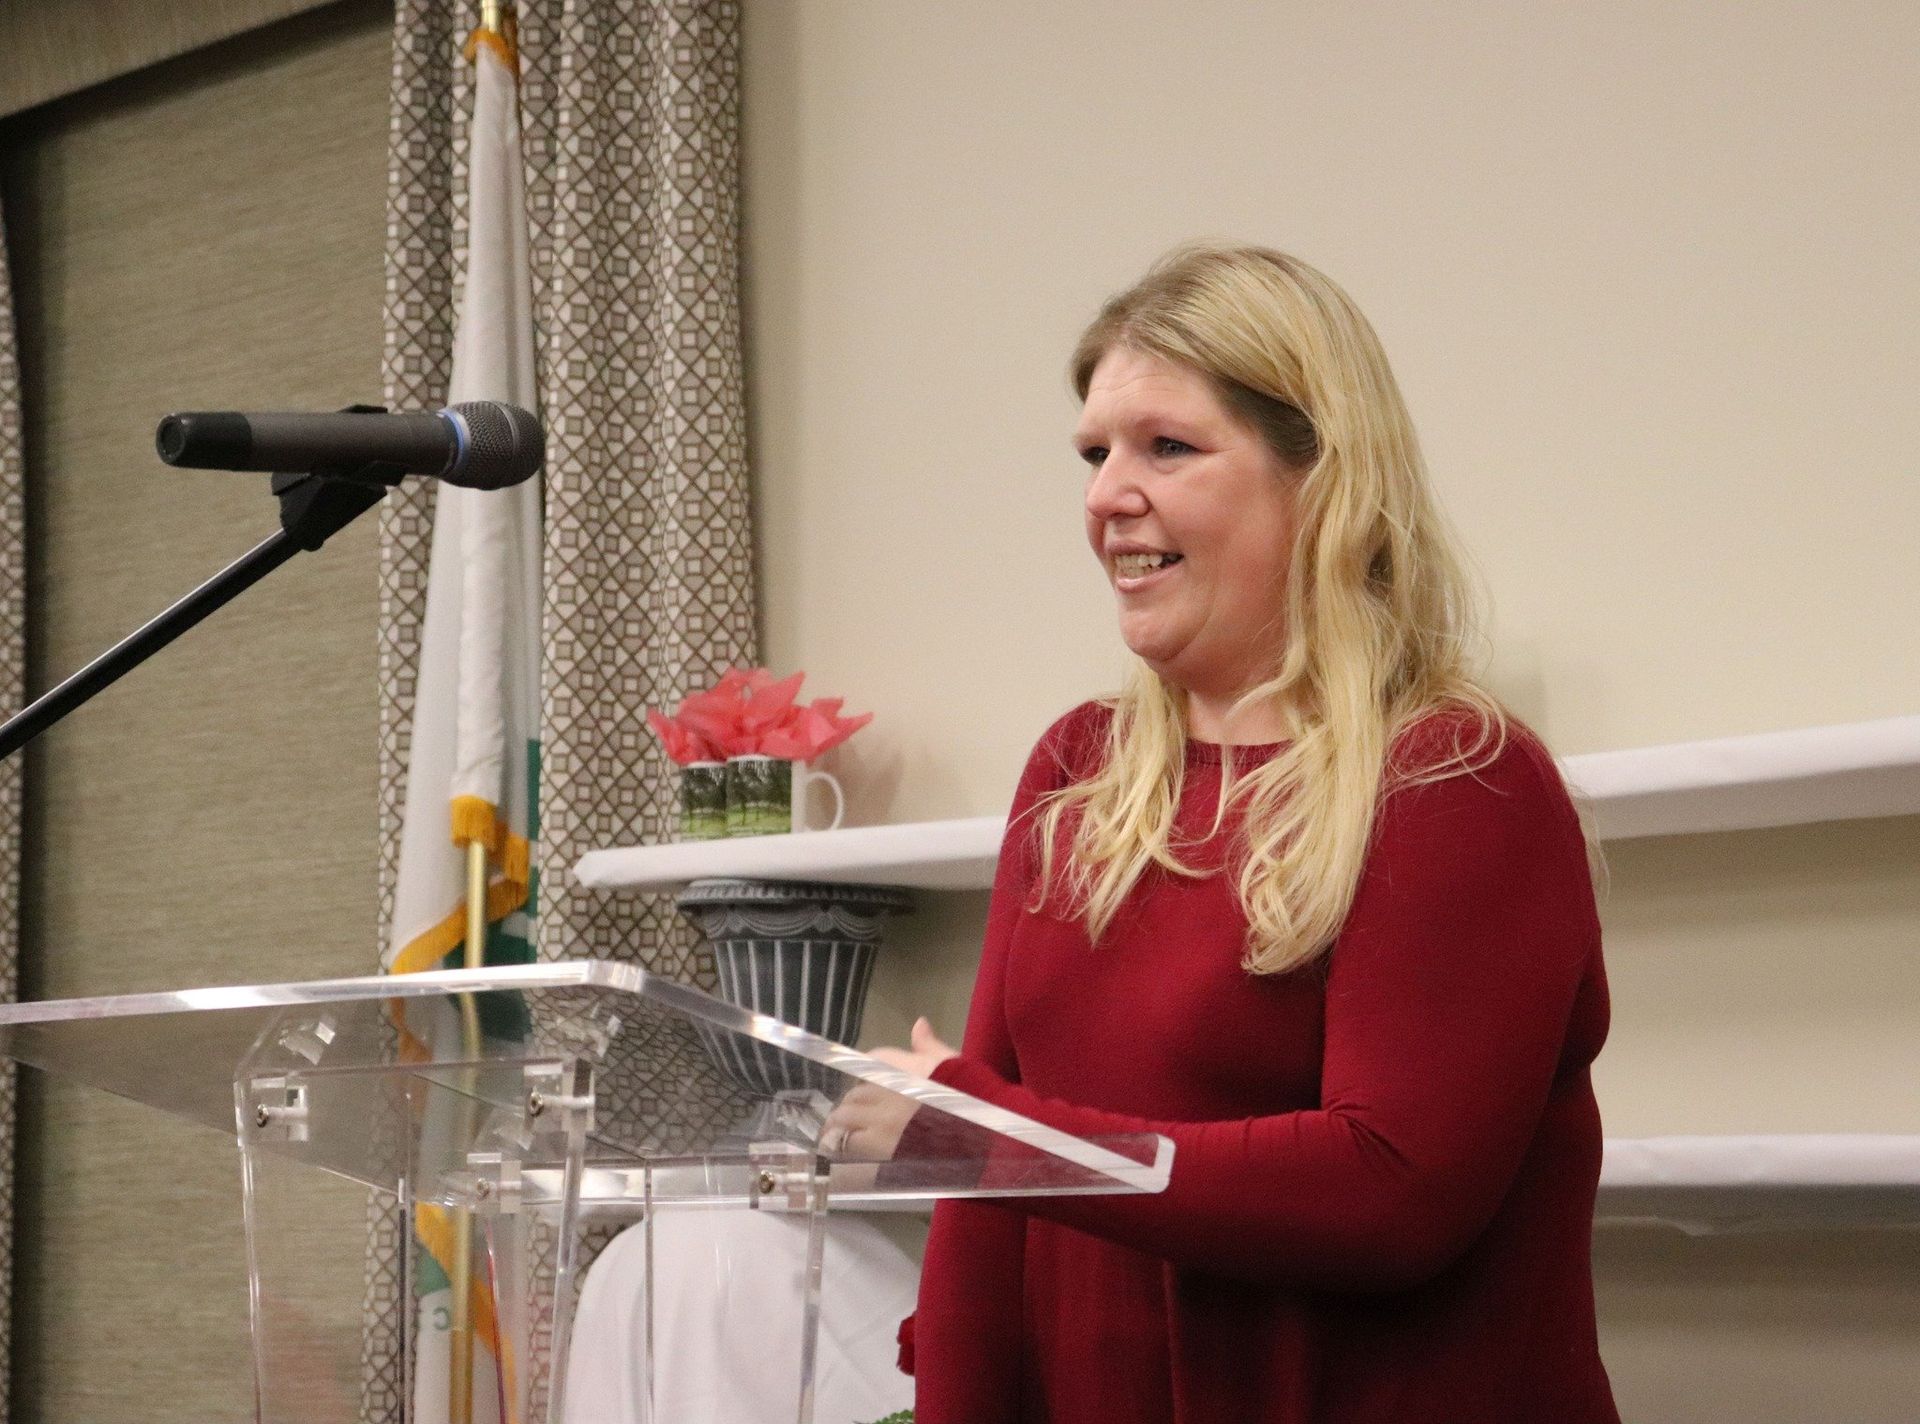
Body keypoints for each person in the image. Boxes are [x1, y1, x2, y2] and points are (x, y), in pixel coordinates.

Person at [839, 243, 1620, 1422]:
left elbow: (1389, 1191)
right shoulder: (1077, 771)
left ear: (1324, 478)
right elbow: (982, 1222)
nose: (1106, 494)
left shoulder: (1459, 780)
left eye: (1167, 446)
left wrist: (995, 1132)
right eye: (1094, 453)